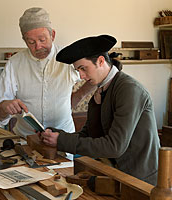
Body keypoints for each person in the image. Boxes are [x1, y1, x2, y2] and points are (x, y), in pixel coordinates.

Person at [38, 34, 160, 185]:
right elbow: (89, 135)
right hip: (116, 176)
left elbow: (114, 147)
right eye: (78, 70)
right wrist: (57, 135)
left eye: (83, 68)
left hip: (140, 182)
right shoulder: (100, 92)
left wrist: (62, 141)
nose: (81, 76)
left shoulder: (129, 89)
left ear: (101, 61)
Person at [0, 7, 95, 139]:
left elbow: (96, 76)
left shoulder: (68, 57)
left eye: (42, 40)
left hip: (63, 138)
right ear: (24, 41)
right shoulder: (15, 63)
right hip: (26, 139)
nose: (38, 47)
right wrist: (3, 106)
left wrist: (78, 96)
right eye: (31, 42)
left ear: (52, 35)